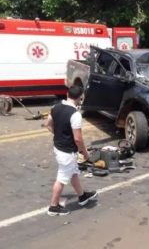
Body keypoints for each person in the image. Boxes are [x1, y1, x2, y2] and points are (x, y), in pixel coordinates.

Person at [44, 86, 97, 216]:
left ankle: (82, 196)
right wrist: (85, 153)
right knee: (61, 178)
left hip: (58, 147)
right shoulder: (75, 114)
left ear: (68, 94)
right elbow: (78, 139)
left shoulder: (56, 107)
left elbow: (48, 124)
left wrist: (58, 135)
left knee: (73, 173)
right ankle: (53, 206)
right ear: (80, 98)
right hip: (67, 152)